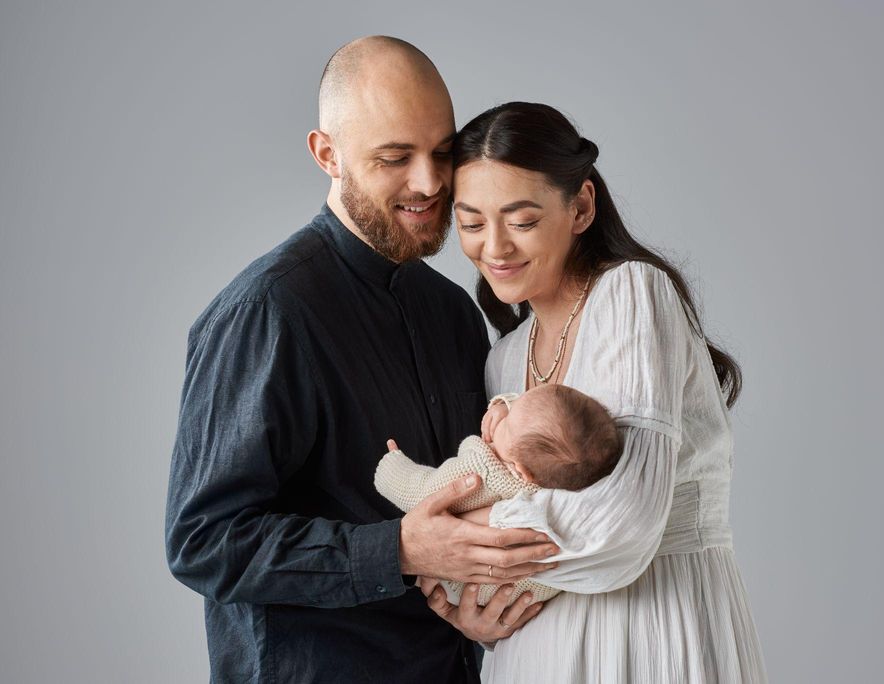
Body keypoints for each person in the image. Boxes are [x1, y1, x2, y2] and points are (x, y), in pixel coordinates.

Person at [164, 39, 558, 683]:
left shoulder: (455, 313)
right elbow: (203, 543)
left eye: (442, 152)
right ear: (327, 155)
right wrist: (398, 550)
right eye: (395, 158)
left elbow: (470, 498)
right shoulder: (268, 310)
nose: (430, 183)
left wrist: (475, 616)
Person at [421, 101, 769, 682]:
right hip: (532, 652)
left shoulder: (632, 294)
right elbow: (513, 509)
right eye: (473, 223)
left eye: (523, 220)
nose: (495, 248)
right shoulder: (504, 358)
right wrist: (475, 613)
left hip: (657, 631)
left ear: (580, 206)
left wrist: (457, 544)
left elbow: (623, 524)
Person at [374, 383, 623, 606]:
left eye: (508, 420)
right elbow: (536, 421)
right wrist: (505, 407)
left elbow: (419, 495)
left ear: (519, 470)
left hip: (461, 582)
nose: (506, 414)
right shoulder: (562, 481)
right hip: (525, 592)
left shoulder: (482, 470)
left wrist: (390, 466)